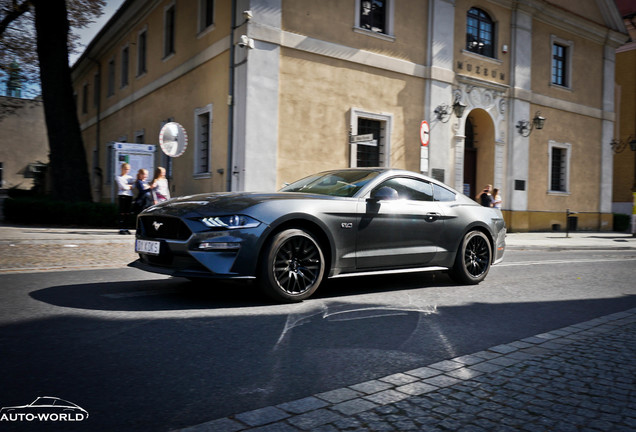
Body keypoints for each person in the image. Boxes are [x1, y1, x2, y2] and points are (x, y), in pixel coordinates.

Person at [115, 163, 134, 234]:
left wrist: (128, 186)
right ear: (122, 169)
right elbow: (123, 187)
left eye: (128, 169)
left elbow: (133, 186)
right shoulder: (119, 177)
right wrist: (129, 186)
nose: (127, 170)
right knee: (122, 212)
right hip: (122, 195)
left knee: (127, 213)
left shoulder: (130, 177)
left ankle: (126, 228)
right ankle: (121, 228)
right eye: (125, 169)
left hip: (129, 195)